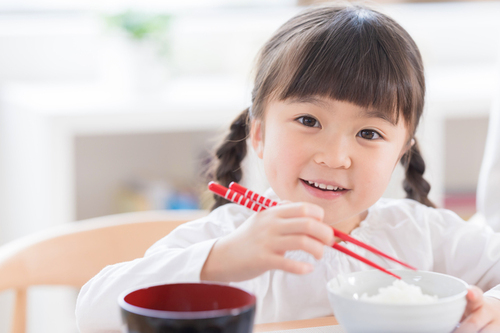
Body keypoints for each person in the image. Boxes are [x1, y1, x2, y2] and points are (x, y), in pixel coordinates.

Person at [76, 4, 500, 332]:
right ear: (258, 134)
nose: (335, 157)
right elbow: (93, 312)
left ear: (401, 151)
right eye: (309, 121)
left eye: (369, 134)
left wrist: (492, 308)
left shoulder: (422, 234)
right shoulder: (229, 239)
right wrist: (222, 260)